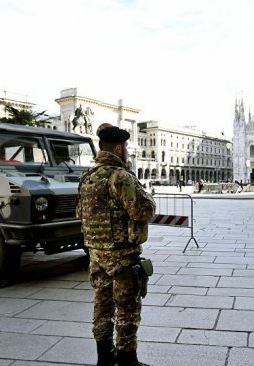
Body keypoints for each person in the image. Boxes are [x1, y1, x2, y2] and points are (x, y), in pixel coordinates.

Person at [77, 126, 156, 366]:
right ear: (119, 148)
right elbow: (143, 210)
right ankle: (127, 360)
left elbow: (81, 212)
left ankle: (104, 357)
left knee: (102, 306)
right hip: (121, 256)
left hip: (96, 255)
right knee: (127, 309)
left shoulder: (87, 177)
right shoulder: (120, 177)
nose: (128, 152)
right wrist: (148, 198)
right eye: (126, 148)